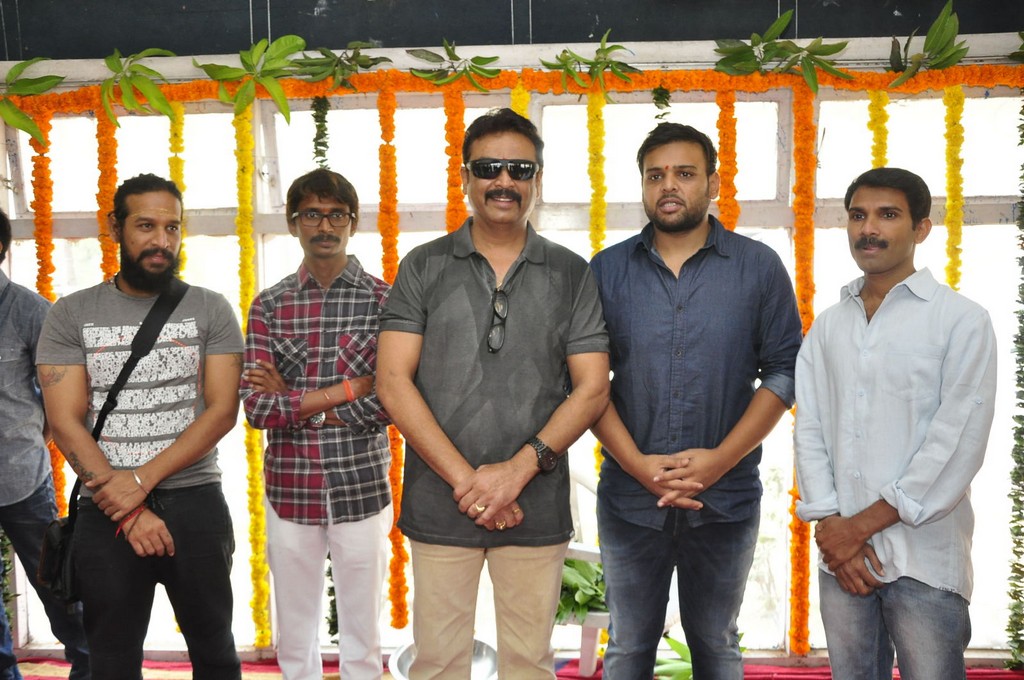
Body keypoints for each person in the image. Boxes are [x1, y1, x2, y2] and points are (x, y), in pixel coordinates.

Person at [376, 107, 610, 679]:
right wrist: (473, 484)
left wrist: (516, 473)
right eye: (488, 168)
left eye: (519, 169)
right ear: (465, 177)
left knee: (529, 663)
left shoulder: (571, 272)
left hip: (535, 503)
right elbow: (392, 382)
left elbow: (592, 389)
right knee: (438, 663)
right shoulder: (423, 266)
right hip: (441, 500)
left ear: (537, 179)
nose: (504, 181)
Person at [589, 122, 803, 679]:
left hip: (725, 498)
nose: (669, 185)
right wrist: (638, 466)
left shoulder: (758, 267)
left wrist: (719, 462)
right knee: (628, 645)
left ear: (713, 182)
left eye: (684, 173)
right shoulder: (606, 271)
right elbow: (584, 383)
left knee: (716, 644)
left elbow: (784, 371)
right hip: (630, 500)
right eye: (655, 175)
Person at [36, 173, 243, 680]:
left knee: (216, 652)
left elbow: (221, 411)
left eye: (172, 228)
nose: (161, 241)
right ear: (115, 228)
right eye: (146, 226)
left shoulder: (211, 308)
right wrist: (128, 508)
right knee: (111, 660)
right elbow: (65, 421)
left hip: (195, 502)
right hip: (106, 511)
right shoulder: (71, 314)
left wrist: (140, 481)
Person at [794, 167, 997, 679]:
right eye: (858, 216)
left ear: (921, 228)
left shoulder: (961, 321)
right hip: (843, 562)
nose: (869, 229)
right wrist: (834, 530)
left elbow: (955, 443)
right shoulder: (828, 326)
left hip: (924, 558)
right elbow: (810, 430)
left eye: (888, 215)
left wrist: (855, 529)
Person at [240, 168, 392, 680]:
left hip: (361, 484)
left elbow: (394, 400)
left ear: (353, 222)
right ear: (292, 223)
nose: (324, 226)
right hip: (290, 486)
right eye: (311, 214)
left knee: (364, 630)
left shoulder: (384, 301)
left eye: (336, 215)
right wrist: (348, 391)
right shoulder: (269, 305)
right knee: (295, 629)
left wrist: (294, 398)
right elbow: (257, 409)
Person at [0, 208, 90, 680]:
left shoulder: (30, 310)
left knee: (57, 584)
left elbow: (65, 393)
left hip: (21, 476)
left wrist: (40, 438)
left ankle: (90, 667)